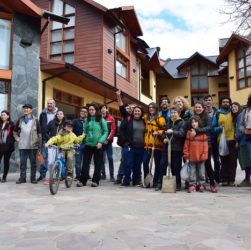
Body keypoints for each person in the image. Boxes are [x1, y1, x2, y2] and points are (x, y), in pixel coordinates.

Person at [77, 103, 108, 187]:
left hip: (98, 145)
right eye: (89, 110)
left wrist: (100, 142)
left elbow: (105, 132)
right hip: (88, 144)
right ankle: (82, 181)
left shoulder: (101, 120)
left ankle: (95, 181)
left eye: (92, 110)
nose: (90, 111)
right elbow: (85, 132)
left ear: (96, 110)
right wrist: (80, 141)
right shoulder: (87, 120)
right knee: (85, 163)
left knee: (97, 163)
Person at [193, 101, 217, 193]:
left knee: (207, 164)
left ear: (203, 108)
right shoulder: (193, 117)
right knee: (195, 164)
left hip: (206, 143)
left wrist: (197, 130)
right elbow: (188, 126)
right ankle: (197, 183)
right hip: (195, 144)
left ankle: (212, 183)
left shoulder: (207, 117)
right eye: (196, 107)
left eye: (199, 107)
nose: (198, 108)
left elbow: (209, 128)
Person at [212, 97, 237, 186]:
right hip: (221, 141)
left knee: (232, 161)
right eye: (224, 102)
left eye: (227, 102)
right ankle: (224, 179)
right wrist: (219, 128)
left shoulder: (233, 112)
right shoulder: (217, 113)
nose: (225, 103)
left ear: (229, 103)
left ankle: (232, 180)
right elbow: (213, 128)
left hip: (233, 140)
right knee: (223, 161)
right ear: (221, 103)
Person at [13, 104, 41, 184]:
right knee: (23, 163)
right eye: (24, 109)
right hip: (22, 145)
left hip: (33, 145)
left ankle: (33, 178)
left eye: (27, 109)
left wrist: (39, 144)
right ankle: (22, 178)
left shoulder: (35, 120)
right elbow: (14, 131)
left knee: (33, 163)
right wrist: (17, 139)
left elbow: (39, 133)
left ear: (31, 110)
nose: (26, 110)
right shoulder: (20, 120)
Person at [120, 106, 145, 187]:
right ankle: (126, 181)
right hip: (130, 146)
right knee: (128, 164)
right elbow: (121, 131)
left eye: (139, 111)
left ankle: (135, 181)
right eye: (135, 111)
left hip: (141, 147)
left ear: (141, 113)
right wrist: (125, 141)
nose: (137, 112)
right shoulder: (128, 120)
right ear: (133, 112)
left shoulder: (144, 121)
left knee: (137, 165)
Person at [143, 102, 166, 189]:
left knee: (158, 164)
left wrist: (158, 132)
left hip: (157, 145)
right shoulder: (145, 118)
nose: (151, 109)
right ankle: (147, 181)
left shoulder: (161, 119)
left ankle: (156, 181)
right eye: (149, 107)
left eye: (153, 107)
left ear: (156, 109)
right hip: (147, 146)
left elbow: (164, 130)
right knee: (145, 162)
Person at [163, 105, 186, 191]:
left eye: (175, 112)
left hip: (177, 148)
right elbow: (165, 132)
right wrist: (164, 137)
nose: (173, 114)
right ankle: (167, 183)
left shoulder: (182, 122)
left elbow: (181, 134)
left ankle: (178, 184)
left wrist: (173, 131)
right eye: (171, 112)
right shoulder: (168, 122)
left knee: (176, 166)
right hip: (168, 147)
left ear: (178, 113)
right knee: (167, 165)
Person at [183, 116, 208, 193]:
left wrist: (204, 154)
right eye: (192, 122)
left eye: (195, 122)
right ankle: (192, 184)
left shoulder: (203, 134)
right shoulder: (189, 133)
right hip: (191, 156)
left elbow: (205, 146)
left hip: (201, 156)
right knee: (192, 172)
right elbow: (186, 144)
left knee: (201, 172)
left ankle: (201, 184)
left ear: (199, 123)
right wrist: (186, 153)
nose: (194, 123)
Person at [37, 99, 58, 181]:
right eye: (48, 103)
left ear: (54, 104)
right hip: (45, 138)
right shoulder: (42, 114)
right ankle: (42, 175)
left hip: (56, 139)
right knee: (44, 157)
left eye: (51, 103)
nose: (49, 105)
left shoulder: (58, 113)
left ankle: (56, 175)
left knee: (55, 157)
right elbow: (40, 125)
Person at [42, 110, 65, 184]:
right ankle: (49, 178)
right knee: (51, 162)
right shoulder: (52, 122)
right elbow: (45, 132)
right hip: (52, 145)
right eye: (58, 114)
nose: (59, 115)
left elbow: (70, 134)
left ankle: (58, 177)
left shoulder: (66, 124)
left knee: (59, 162)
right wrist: (50, 140)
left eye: (61, 114)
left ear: (63, 115)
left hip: (62, 146)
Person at [204, 95, 221, 183]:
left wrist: (216, 129)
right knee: (206, 160)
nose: (208, 102)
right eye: (206, 100)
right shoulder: (202, 112)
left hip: (215, 138)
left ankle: (217, 176)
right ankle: (207, 177)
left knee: (216, 159)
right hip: (206, 139)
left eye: (209, 100)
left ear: (212, 101)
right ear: (204, 102)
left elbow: (220, 125)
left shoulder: (217, 112)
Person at [236, 96, 251, 186]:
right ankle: (247, 179)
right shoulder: (245, 111)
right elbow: (241, 125)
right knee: (248, 158)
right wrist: (244, 130)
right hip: (248, 137)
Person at [158, 97, 171, 191]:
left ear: (168, 104)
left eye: (166, 102)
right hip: (161, 139)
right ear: (161, 104)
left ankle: (175, 182)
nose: (164, 103)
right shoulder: (158, 114)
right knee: (162, 163)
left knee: (173, 164)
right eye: (163, 102)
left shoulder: (172, 114)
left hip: (171, 140)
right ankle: (159, 182)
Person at [100, 105, 116, 181]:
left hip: (108, 142)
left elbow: (113, 130)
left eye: (104, 108)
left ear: (107, 109)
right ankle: (103, 174)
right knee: (101, 159)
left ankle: (112, 176)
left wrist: (107, 139)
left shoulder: (111, 118)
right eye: (101, 108)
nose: (103, 110)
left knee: (110, 158)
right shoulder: (99, 118)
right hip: (100, 142)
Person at [73, 106, 88, 180]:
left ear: (87, 113)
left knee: (86, 161)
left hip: (88, 144)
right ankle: (78, 176)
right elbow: (72, 133)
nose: (83, 113)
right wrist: (74, 142)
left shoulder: (89, 122)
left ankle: (85, 175)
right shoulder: (75, 121)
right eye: (82, 111)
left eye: (85, 112)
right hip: (78, 144)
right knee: (78, 161)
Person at [0, 111, 15, 182]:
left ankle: (4, 177)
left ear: (8, 116)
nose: (3, 116)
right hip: (0, 145)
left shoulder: (11, 125)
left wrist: (9, 143)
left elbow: (14, 135)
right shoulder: (0, 123)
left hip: (8, 146)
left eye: (4, 115)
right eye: (2, 115)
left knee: (6, 162)